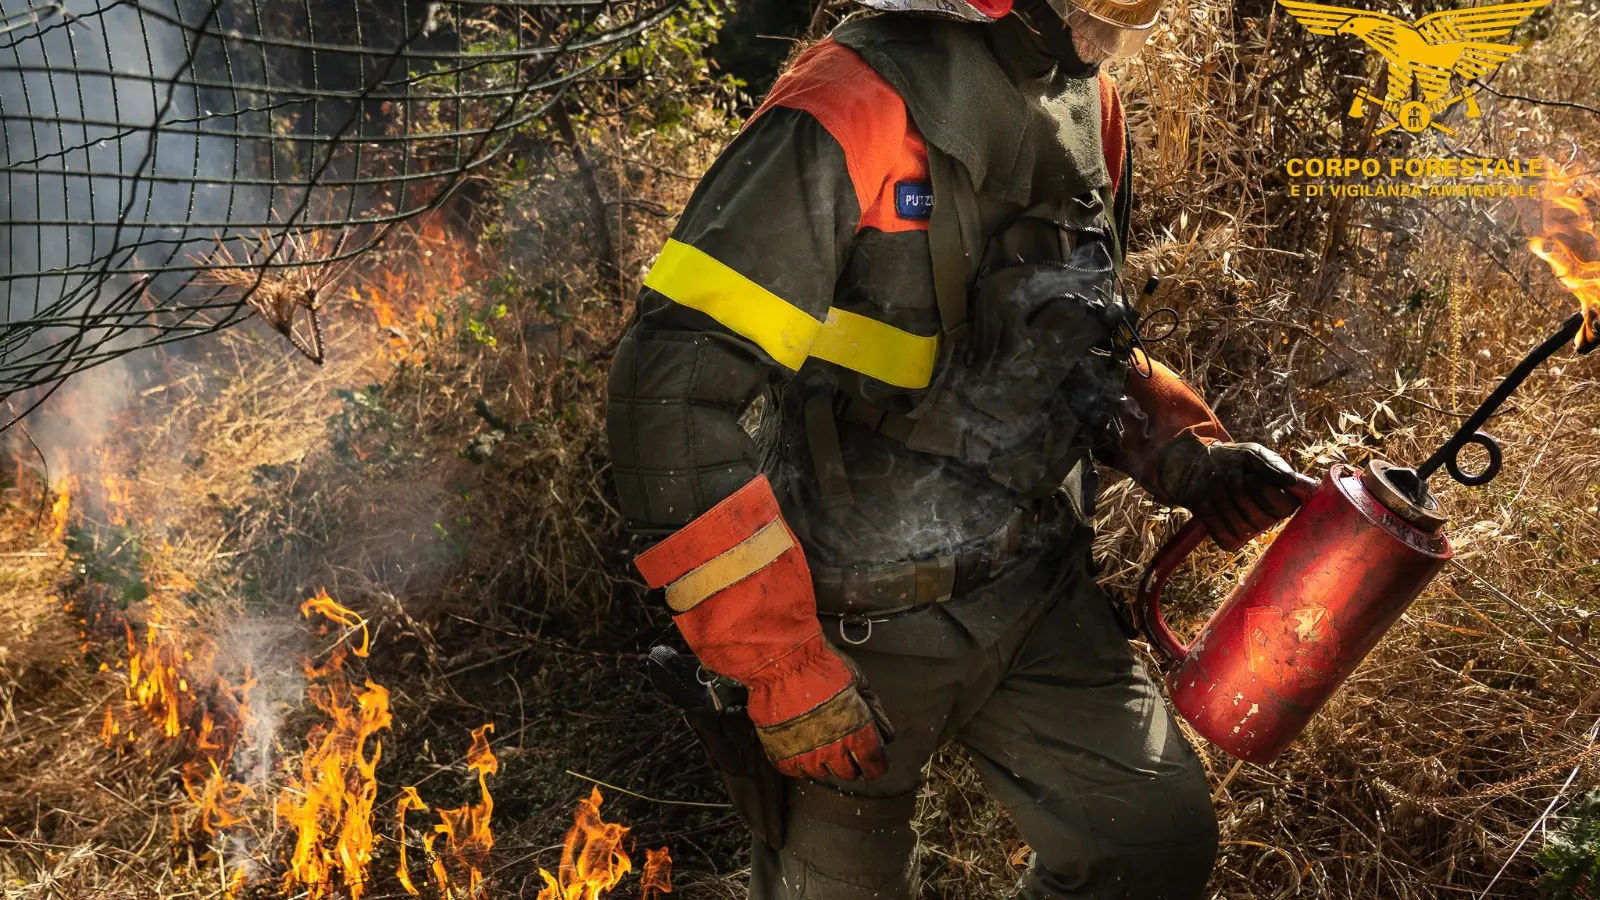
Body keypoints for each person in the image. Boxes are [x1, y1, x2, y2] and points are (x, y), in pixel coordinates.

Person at [607, 0, 1313, 894]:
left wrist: (1187, 454)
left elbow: (1072, 337)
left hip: (1035, 591)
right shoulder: (847, 102)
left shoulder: (1084, 101)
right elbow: (670, 396)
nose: (1140, 17)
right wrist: (780, 665)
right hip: (854, 630)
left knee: (1152, 847)